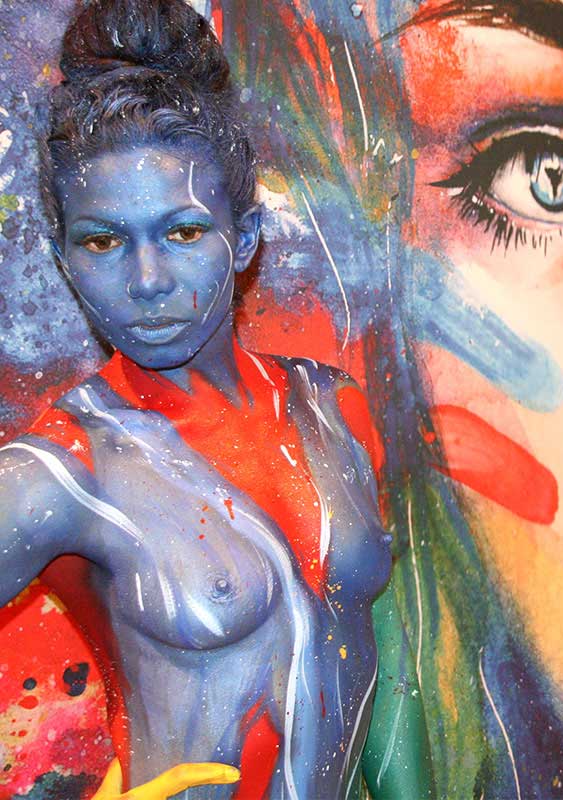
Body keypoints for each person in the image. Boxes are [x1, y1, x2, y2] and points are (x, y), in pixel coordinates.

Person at [0, 0, 411, 797]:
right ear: (64, 257)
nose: (147, 281)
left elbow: (380, 663)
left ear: (245, 236)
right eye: (102, 240)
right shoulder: (58, 473)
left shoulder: (334, 411)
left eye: (183, 232)